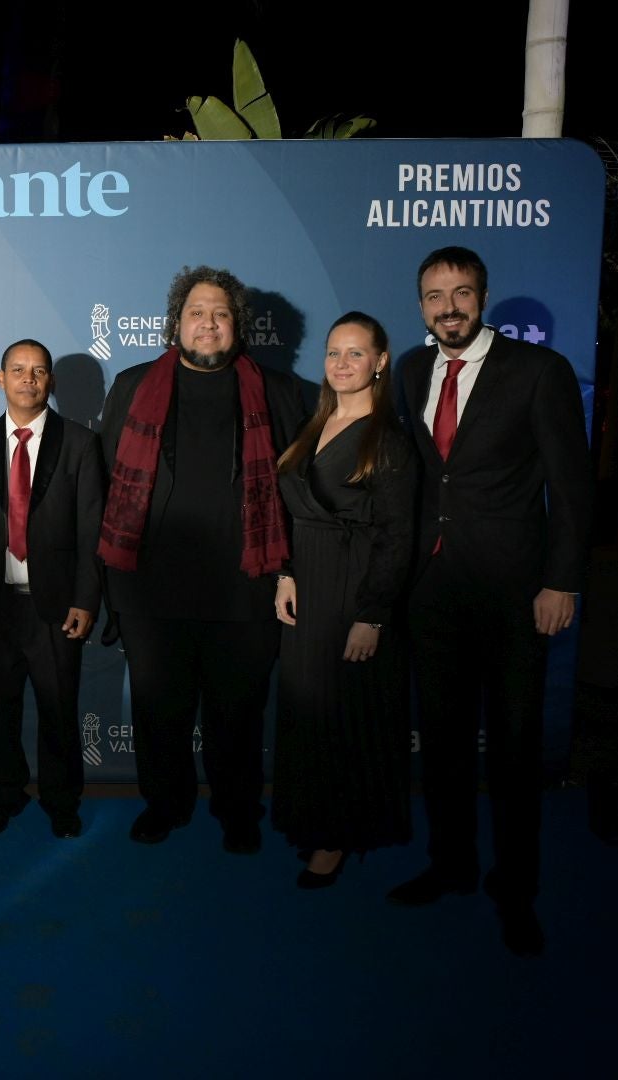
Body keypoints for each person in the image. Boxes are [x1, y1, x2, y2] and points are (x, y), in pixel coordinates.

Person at [389, 246, 592, 956]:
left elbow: (570, 488)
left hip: (515, 596)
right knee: (441, 745)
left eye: (462, 292)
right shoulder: (412, 370)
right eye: (435, 295)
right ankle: (450, 867)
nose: (449, 306)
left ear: (482, 298)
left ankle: (516, 891)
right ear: (421, 305)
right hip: (431, 593)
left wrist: (561, 582)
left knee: (512, 751)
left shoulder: (540, 372)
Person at [98, 265, 304, 849]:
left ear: (237, 324)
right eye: (196, 312)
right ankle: (164, 805)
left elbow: (298, 494)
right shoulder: (133, 385)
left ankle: (237, 811)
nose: (207, 324)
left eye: (220, 313)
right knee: (159, 714)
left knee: (236, 717)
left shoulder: (280, 391)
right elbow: (108, 483)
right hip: (151, 591)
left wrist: (288, 570)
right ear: (176, 324)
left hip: (247, 587)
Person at [270, 312, 415, 888]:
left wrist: (372, 617)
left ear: (381, 361)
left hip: (354, 588)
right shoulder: (315, 424)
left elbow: (398, 537)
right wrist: (284, 573)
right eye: (333, 353)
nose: (341, 364)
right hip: (307, 581)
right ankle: (311, 817)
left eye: (356, 354)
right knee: (309, 709)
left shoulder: (390, 440)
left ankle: (339, 834)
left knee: (343, 714)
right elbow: (292, 507)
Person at [0, 339, 104, 839]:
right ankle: (5, 795)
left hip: (55, 606)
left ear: (50, 382)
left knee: (59, 711)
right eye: (18, 369)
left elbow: (90, 529)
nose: (28, 378)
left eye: (39, 371)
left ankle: (61, 800)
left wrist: (86, 598)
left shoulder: (79, 442)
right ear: (1, 379)